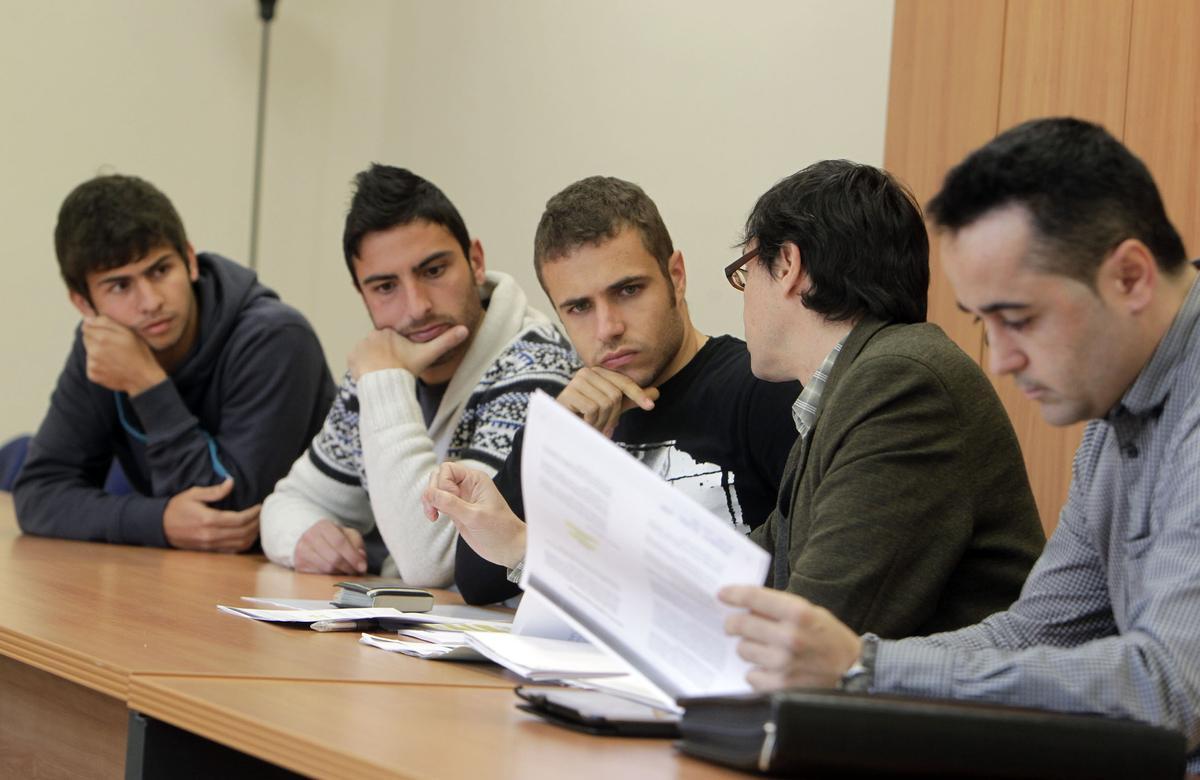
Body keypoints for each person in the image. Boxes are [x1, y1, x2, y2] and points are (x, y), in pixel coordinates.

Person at [720, 119, 1200, 770]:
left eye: (1019, 319)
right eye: (984, 323)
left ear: (1131, 278)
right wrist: (856, 667)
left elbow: (1169, 688)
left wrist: (865, 669)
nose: (998, 361)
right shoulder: (1113, 413)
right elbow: (1034, 633)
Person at [436, 175, 802, 604]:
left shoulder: (760, 391)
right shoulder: (579, 413)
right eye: (579, 308)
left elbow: (808, 577)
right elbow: (478, 581)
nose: (608, 328)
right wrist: (553, 438)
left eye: (628, 290)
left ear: (676, 276)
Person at [260, 165, 577, 585]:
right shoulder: (381, 366)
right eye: (385, 287)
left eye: (433, 271)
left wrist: (384, 381)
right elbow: (288, 503)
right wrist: (304, 536)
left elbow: (436, 559)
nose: (417, 307)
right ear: (362, 294)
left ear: (476, 262)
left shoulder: (536, 365)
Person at [15, 174, 335, 551]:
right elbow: (38, 493)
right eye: (120, 286)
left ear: (189, 260)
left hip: (322, 579)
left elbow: (226, 514)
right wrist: (158, 521)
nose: (150, 301)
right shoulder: (103, 347)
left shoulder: (275, 337)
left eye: (160, 270)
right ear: (84, 304)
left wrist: (147, 385)